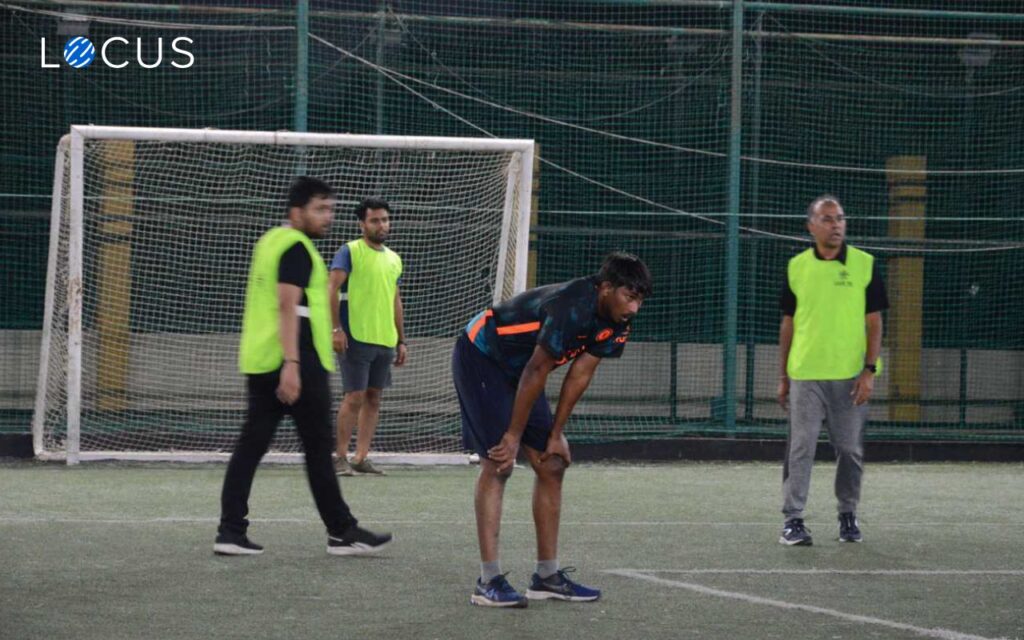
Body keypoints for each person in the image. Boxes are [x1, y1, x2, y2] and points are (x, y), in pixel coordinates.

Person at [453, 252, 652, 607]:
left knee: (552, 463)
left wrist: (556, 432)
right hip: (483, 354)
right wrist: (513, 436)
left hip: (524, 369)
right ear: (606, 288)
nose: (635, 308)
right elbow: (536, 371)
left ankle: (546, 577)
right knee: (498, 463)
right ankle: (488, 581)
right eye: (630, 297)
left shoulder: (617, 320)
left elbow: (580, 374)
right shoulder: (570, 307)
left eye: (639, 299)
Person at [214, 177, 392, 557]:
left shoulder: (269, 241)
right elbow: (287, 306)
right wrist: (293, 365)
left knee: (252, 447)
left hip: (263, 360)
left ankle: (231, 531)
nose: (328, 216)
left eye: (330, 208)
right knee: (314, 448)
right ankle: (341, 530)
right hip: (294, 363)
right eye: (320, 209)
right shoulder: (296, 247)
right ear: (297, 212)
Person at [776, 195, 888, 546]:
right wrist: (782, 375)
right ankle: (793, 521)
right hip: (806, 374)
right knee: (801, 447)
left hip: (850, 377)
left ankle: (847, 514)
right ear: (811, 226)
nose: (836, 224)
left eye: (840, 218)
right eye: (827, 219)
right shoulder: (796, 267)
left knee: (849, 450)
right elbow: (788, 324)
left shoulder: (865, 264)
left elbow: (874, 323)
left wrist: (868, 371)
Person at [329, 197, 407, 476]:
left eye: (385, 219)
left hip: (385, 339)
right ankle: (339, 457)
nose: (381, 224)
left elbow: (396, 300)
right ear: (362, 224)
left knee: (374, 398)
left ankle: (361, 457)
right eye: (375, 220)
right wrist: (336, 329)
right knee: (354, 397)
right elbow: (331, 288)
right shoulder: (349, 251)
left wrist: (401, 339)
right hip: (356, 337)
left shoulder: (394, 258)